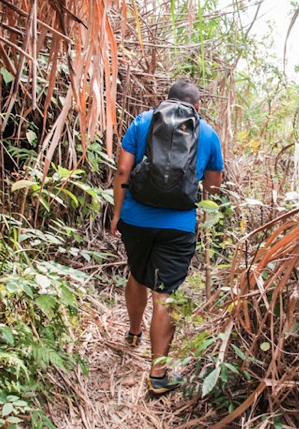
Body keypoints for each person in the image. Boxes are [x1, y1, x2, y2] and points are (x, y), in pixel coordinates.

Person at [110, 81, 224, 395]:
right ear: (197, 107)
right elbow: (213, 187)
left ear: (166, 100)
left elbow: (122, 171)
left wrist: (117, 213)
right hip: (179, 226)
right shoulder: (208, 133)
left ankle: (134, 333)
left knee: (137, 274)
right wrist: (203, 217)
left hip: (135, 219)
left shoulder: (142, 121)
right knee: (165, 294)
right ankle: (158, 376)